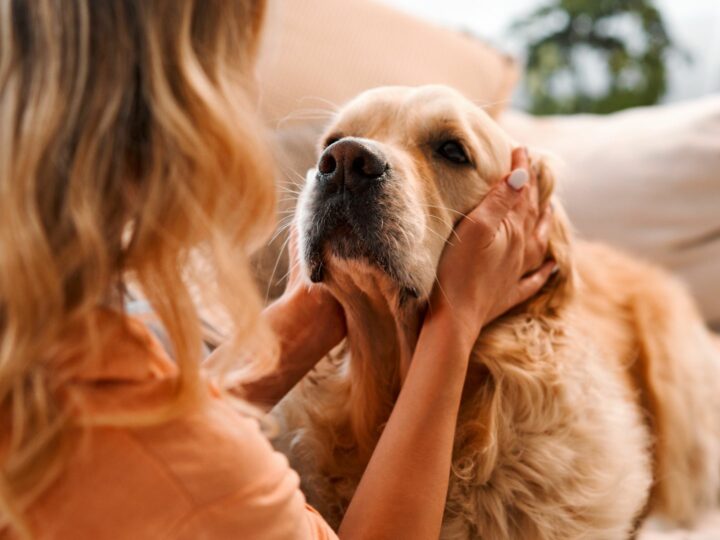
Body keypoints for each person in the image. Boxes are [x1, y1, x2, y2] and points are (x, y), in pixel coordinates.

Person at [0, 1, 554, 538]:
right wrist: (453, 325)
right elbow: (175, 459)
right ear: (183, 120)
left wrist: (300, 322)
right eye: (238, 64)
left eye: (450, 151)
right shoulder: (221, 491)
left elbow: (156, 430)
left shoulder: (63, 348)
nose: (346, 164)